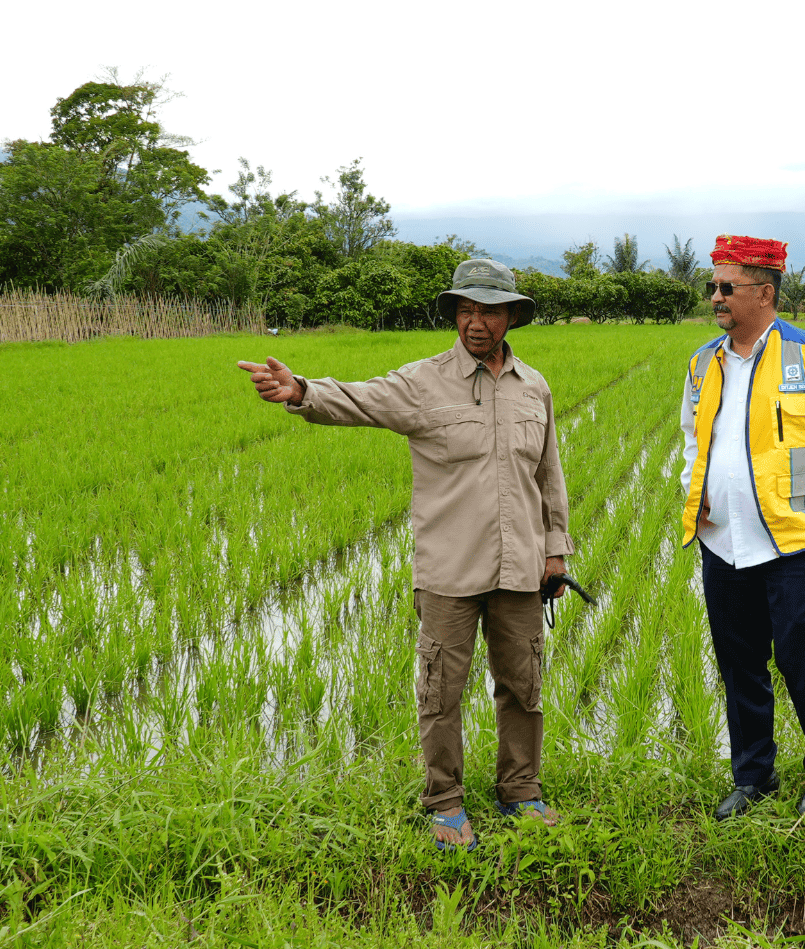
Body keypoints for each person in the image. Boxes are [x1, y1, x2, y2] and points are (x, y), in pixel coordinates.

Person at [236, 258, 573, 852]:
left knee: (523, 685)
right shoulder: (424, 382)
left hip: (520, 567)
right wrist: (301, 392)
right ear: (455, 315)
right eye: (466, 309)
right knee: (441, 692)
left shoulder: (534, 387)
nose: (475, 322)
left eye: (488, 310)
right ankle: (444, 802)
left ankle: (521, 789)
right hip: (449, 570)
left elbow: (549, 475)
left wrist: (555, 552)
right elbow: (360, 400)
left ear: (511, 317)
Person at [679, 235, 805, 820]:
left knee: (799, 659)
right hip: (724, 544)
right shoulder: (702, 363)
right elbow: (693, 441)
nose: (715, 296)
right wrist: (695, 495)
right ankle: (753, 776)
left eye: (726, 287)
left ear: (764, 294)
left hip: (795, 543)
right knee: (738, 662)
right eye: (712, 286)